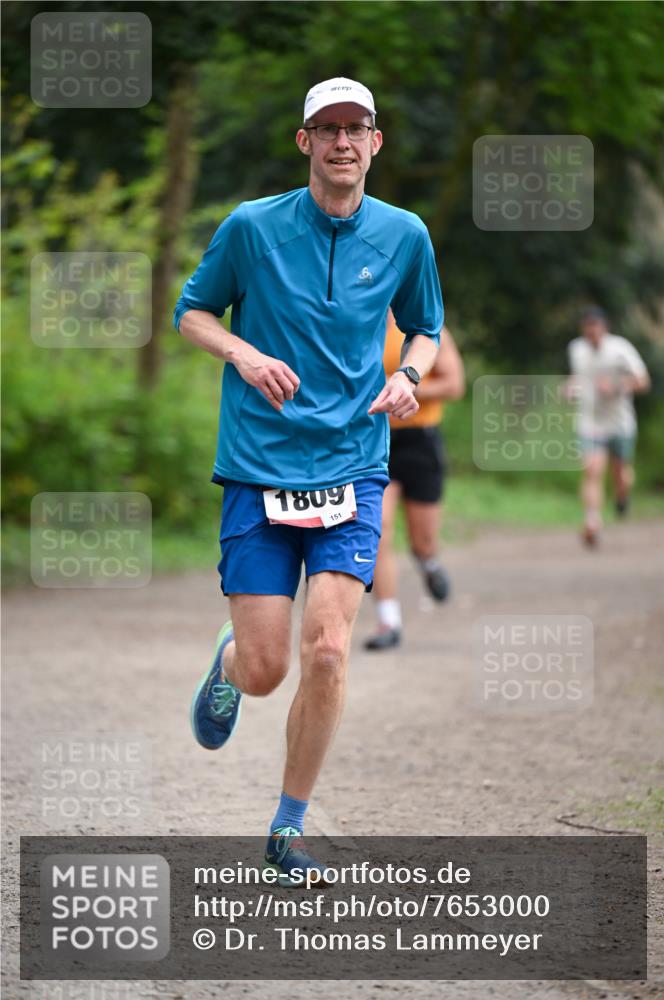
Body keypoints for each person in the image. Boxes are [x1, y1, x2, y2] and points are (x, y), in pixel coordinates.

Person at [173, 77, 444, 884]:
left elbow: (426, 325)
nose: (341, 142)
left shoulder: (404, 234)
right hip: (259, 469)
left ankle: (285, 831)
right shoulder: (252, 228)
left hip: (354, 466)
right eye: (325, 129)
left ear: (374, 141)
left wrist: (411, 377)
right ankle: (230, 666)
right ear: (304, 143)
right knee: (269, 669)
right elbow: (193, 311)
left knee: (327, 649)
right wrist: (245, 355)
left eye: (354, 128)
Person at [365, 312, 464, 650]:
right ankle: (388, 621)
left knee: (422, 542)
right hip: (377, 443)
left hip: (421, 442)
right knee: (378, 529)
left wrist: (404, 386)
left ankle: (429, 563)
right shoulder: (362, 319)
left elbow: (454, 384)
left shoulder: (426, 329)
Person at [566, 306, 650, 548]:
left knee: (620, 473)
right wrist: (570, 388)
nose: (592, 333)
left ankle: (623, 497)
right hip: (589, 421)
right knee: (592, 470)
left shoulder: (620, 349)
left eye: (596, 328)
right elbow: (577, 377)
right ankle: (592, 522)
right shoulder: (576, 349)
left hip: (619, 422)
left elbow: (643, 381)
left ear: (605, 327)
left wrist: (616, 386)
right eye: (588, 328)